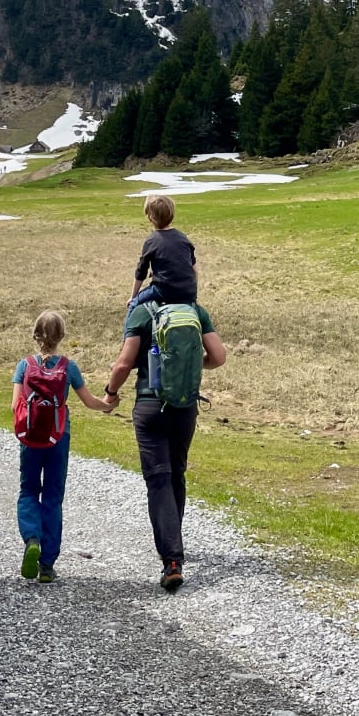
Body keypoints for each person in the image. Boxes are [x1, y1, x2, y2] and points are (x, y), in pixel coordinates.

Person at [104, 195, 226, 592]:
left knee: (157, 478)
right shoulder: (195, 311)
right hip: (185, 404)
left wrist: (110, 392)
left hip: (150, 405)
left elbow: (124, 364)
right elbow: (218, 357)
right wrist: (189, 369)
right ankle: (175, 545)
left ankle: (171, 558)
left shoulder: (142, 311)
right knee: (176, 474)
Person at [13, 309, 113, 583]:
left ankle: (31, 537)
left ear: (35, 335)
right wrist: (108, 406)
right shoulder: (69, 367)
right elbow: (89, 401)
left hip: (30, 438)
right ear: (61, 337)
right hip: (58, 438)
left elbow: (15, 405)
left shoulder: (24, 366)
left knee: (29, 490)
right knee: (53, 497)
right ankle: (47, 565)